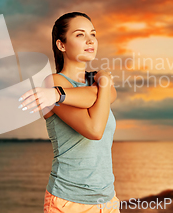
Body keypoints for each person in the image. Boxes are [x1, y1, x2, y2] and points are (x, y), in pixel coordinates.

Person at [19, 12, 121, 212]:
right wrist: (104, 81)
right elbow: (94, 130)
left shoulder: (97, 84)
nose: (90, 40)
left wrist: (103, 81)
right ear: (61, 45)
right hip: (69, 202)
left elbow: (108, 95)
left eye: (93, 34)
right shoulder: (53, 82)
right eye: (80, 35)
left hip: (108, 200)